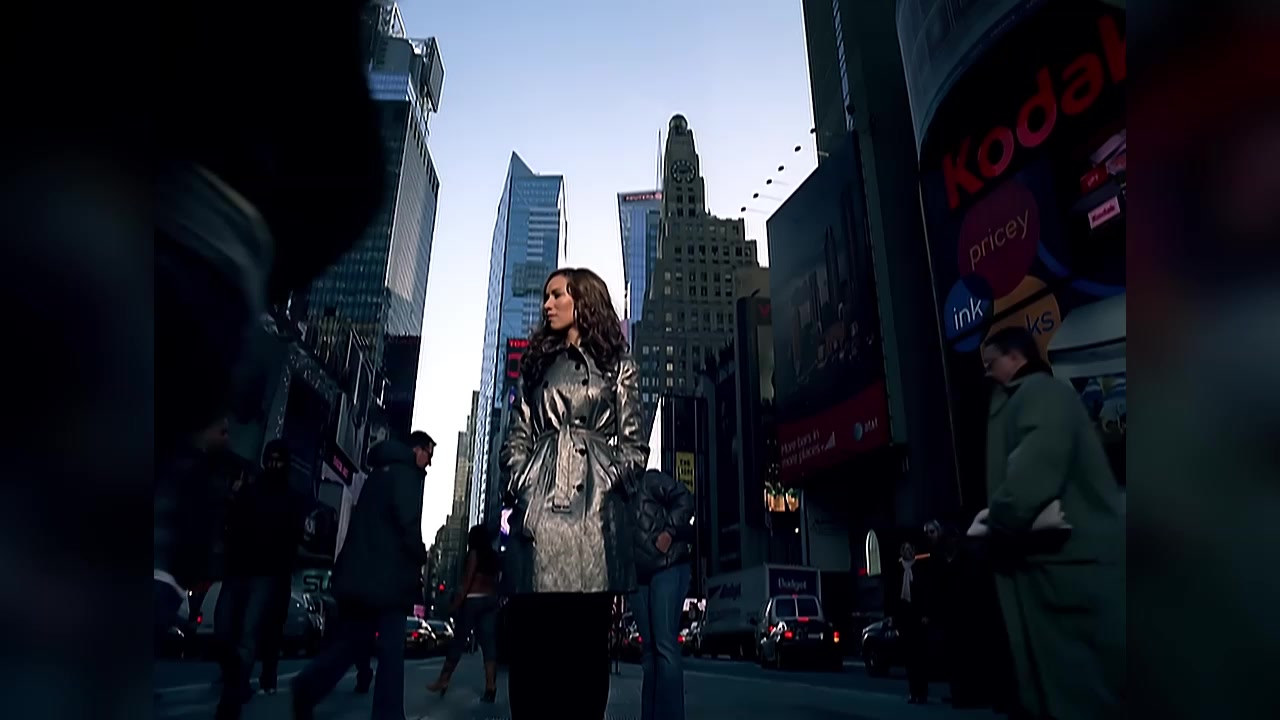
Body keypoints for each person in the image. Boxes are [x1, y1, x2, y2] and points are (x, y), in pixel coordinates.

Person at [501, 267, 649, 719]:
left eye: (556, 295)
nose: (547, 304)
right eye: (546, 297)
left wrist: (607, 485)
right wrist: (522, 483)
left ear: (582, 301)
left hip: (594, 515)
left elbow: (635, 446)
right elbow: (517, 437)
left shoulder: (619, 365)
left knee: (586, 648)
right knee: (532, 648)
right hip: (541, 504)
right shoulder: (535, 366)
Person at [976, 326, 1126, 720]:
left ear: (1015, 357)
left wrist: (996, 520)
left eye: (991, 363)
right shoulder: (1032, 396)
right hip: (1056, 574)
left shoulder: (1040, 394)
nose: (987, 372)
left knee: (1079, 694)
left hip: (1063, 577)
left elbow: (1032, 475)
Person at [291, 431, 433, 720]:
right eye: (428, 453)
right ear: (416, 449)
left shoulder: (380, 473)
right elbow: (407, 523)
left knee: (352, 642)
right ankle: (388, 715)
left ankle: (307, 686)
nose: (429, 462)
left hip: (361, 575)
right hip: (389, 577)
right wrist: (420, 555)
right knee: (391, 651)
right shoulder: (407, 475)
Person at [215, 440, 307, 718]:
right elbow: (233, 524)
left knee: (247, 633)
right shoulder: (250, 491)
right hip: (240, 569)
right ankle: (236, 682)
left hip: (266, 573)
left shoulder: (290, 498)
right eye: (271, 459)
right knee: (224, 630)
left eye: (280, 460)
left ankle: (234, 692)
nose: (275, 464)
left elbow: (292, 539)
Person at [154, 416, 232, 639]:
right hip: (167, 573)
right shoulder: (195, 470)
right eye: (222, 432)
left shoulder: (194, 467)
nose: (227, 439)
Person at [630, 469, 695, 720]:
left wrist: (669, 532)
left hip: (668, 565)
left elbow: (685, 497)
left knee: (664, 645)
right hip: (637, 575)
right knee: (649, 652)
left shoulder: (649, 480)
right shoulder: (614, 495)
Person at [427, 525, 501, 702]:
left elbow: (467, 581)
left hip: (472, 600)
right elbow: (497, 580)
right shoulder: (494, 557)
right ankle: (490, 686)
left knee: (458, 641)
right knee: (489, 645)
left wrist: (455, 604)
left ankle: (444, 679)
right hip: (490, 600)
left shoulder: (474, 554)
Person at [895, 541, 933, 705]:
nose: (908, 552)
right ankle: (913, 692)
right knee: (909, 659)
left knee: (921, 658)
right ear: (902, 552)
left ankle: (922, 693)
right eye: (906, 550)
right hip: (905, 618)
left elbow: (927, 593)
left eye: (911, 549)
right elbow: (893, 596)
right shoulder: (898, 571)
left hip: (919, 617)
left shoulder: (920, 569)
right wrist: (895, 620)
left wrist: (926, 614)